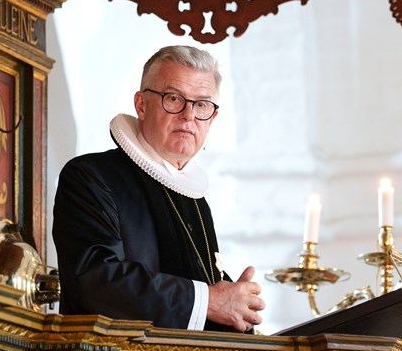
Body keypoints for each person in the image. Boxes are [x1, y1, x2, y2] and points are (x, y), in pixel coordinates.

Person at [52, 46, 265, 332]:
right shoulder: (91, 177)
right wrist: (209, 301)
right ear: (141, 105)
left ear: (212, 118)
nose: (189, 115)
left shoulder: (196, 200)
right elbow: (95, 280)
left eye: (201, 105)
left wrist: (238, 309)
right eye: (174, 98)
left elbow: (204, 300)